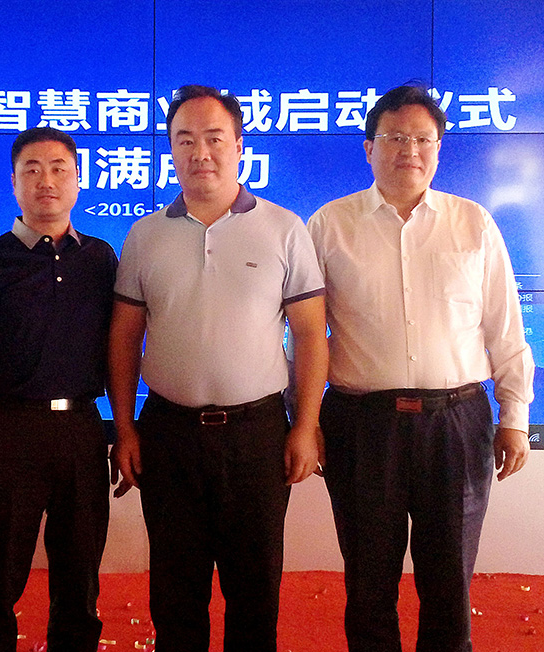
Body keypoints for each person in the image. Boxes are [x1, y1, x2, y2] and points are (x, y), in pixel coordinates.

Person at [308, 84, 534, 652]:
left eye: (423, 139)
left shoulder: (473, 223)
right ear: (369, 148)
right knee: (368, 584)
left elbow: (505, 327)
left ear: (438, 149)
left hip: (456, 424)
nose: (409, 150)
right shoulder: (329, 225)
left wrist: (514, 417)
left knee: (449, 584)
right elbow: (303, 336)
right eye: (395, 138)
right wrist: (304, 420)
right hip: (362, 424)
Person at [109, 84, 328, 652]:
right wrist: (125, 428)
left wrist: (306, 426)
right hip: (168, 435)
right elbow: (125, 338)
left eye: (214, 138)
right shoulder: (145, 234)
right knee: (175, 593)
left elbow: (310, 334)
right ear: (170, 150)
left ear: (238, 147)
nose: (199, 152)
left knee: (254, 593)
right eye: (185, 140)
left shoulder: (284, 228)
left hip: (257, 435)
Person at [0, 126, 117, 652]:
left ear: (79, 179)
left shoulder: (101, 258)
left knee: (80, 582)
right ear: (14, 182)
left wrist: (125, 432)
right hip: (7, 433)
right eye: (32, 170)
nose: (47, 181)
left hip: (82, 431)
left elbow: (119, 352)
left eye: (60, 169)